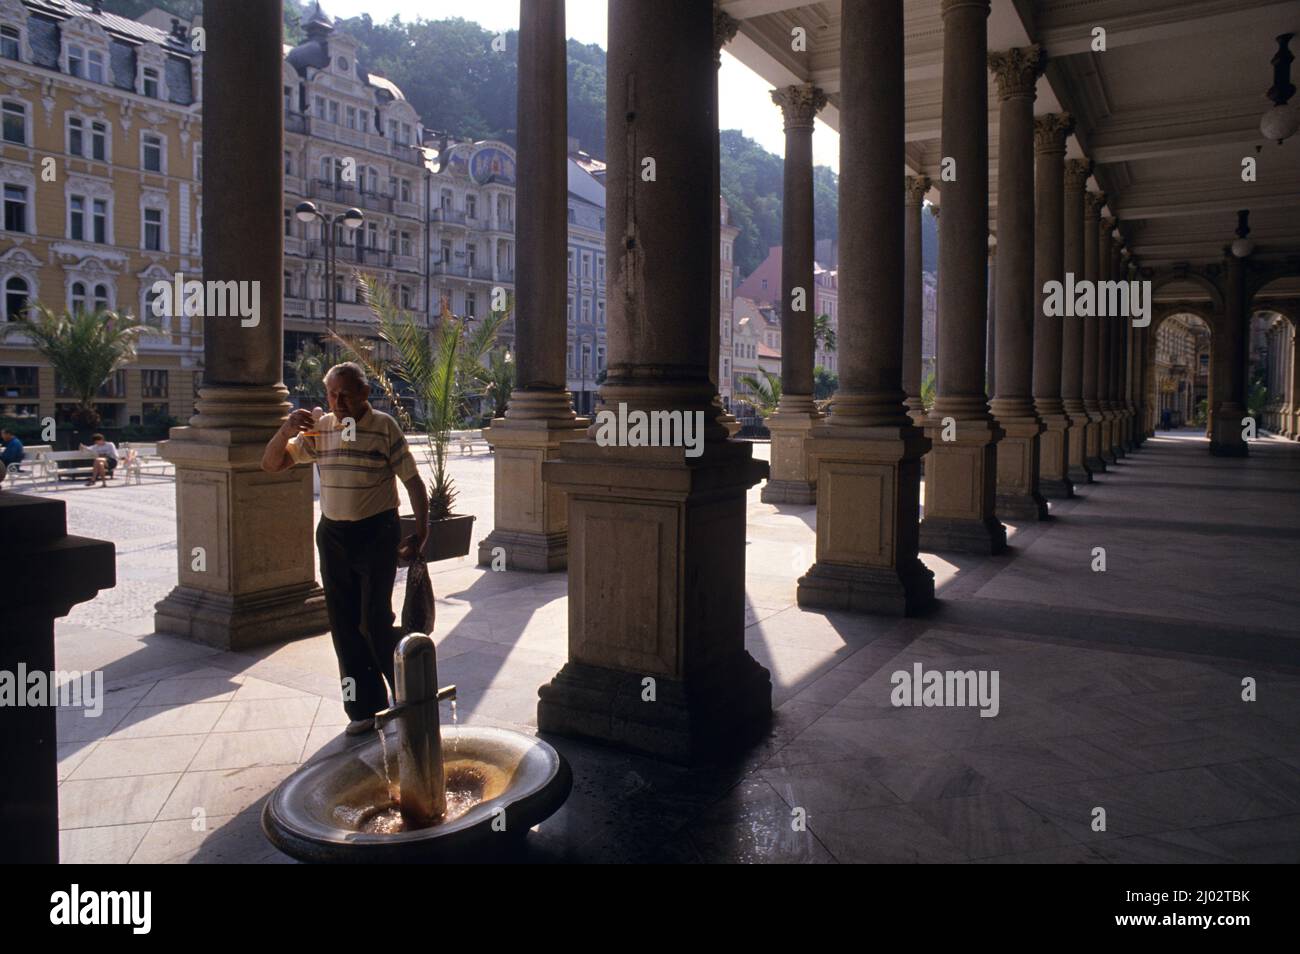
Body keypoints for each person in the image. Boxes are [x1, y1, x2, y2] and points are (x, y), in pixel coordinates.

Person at [261, 362, 429, 736]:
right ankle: (364, 709)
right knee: (342, 624)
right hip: (334, 535)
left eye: (345, 393)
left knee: (374, 621)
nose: (338, 401)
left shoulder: (384, 426)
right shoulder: (320, 430)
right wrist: (286, 429)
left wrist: (422, 531)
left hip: (377, 531)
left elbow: (413, 481)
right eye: (332, 394)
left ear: (364, 393)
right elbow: (271, 464)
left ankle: (408, 693)